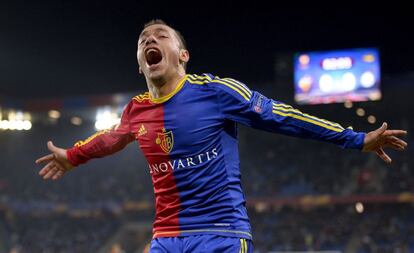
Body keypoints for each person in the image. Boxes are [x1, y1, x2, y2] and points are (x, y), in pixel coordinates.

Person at [35, 19, 407, 253]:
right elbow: (111, 138)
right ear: (139, 61)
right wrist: (74, 155)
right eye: (143, 38)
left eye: (161, 35)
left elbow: (283, 116)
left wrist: (354, 138)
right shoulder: (136, 110)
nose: (151, 38)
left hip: (221, 234)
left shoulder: (216, 92)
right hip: (166, 237)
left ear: (182, 55)